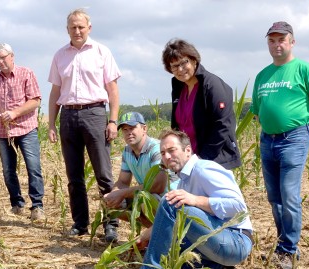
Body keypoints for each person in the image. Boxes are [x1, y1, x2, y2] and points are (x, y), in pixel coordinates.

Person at [250, 21, 309, 268]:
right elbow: (257, 110)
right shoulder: (262, 75)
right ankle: (283, 243)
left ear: (292, 42)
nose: (276, 44)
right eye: (272, 40)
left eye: (281, 39)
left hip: (294, 139)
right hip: (268, 140)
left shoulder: (306, 71)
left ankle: (289, 251)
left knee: (289, 195)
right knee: (274, 196)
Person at [47, 8, 121, 242]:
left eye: (81, 27)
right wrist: (51, 123)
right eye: (73, 27)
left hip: (95, 113)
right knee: (74, 176)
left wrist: (113, 120)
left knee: (104, 174)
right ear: (67, 30)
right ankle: (80, 223)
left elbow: (112, 90)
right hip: (68, 117)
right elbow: (55, 92)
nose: (77, 31)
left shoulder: (101, 52)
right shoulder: (60, 55)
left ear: (89, 28)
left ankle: (111, 224)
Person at [142, 130, 253, 269]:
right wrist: (144, 238)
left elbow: (238, 207)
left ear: (187, 150)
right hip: (215, 242)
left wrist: (195, 200)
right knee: (172, 253)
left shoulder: (203, 169)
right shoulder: (183, 181)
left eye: (171, 150)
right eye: (163, 153)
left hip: (236, 241)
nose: (167, 157)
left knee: (170, 201)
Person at [162, 38, 241, 170]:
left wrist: (203, 158)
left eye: (184, 62)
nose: (180, 69)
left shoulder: (211, 85)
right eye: (174, 66)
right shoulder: (179, 87)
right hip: (189, 160)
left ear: (194, 60)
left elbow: (223, 125)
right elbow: (177, 126)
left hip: (213, 160)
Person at [0, 42, 45, 221]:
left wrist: (14, 113)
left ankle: (37, 206)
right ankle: (17, 204)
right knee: (8, 170)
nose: (0, 61)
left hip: (26, 129)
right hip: (5, 133)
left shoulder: (26, 74)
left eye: (3, 57)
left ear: (12, 56)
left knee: (33, 167)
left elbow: (35, 101)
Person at [103, 112, 167, 247]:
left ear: (144, 129)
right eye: (125, 130)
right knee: (115, 205)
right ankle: (156, 235)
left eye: (132, 128)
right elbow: (123, 182)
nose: (128, 133)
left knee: (144, 201)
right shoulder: (127, 151)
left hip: (168, 200)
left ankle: (165, 235)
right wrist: (113, 194)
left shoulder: (156, 149)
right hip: (149, 196)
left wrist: (122, 193)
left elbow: (158, 186)